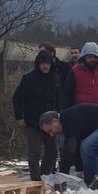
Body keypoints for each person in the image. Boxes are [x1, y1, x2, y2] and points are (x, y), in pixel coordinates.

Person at [40, 105, 98, 187]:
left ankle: (91, 185)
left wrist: (62, 175)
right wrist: (79, 170)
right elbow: (76, 146)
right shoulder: (68, 118)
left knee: (88, 147)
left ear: (55, 121)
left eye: (50, 130)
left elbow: (70, 149)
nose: (51, 135)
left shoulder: (70, 121)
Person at [12, 50, 61, 181]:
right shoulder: (29, 78)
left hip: (51, 121)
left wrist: (59, 116)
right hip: (33, 121)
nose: (45, 66)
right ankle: (35, 180)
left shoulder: (55, 78)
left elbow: (59, 98)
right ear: (38, 64)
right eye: (43, 63)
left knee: (52, 151)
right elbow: (17, 97)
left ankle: (44, 176)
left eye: (48, 63)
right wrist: (19, 117)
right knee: (34, 152)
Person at [61, 42, 98, 110]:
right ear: (84, 56)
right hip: (82, 111)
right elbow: (67, 93)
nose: (92, 59)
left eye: (95, 56)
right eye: (89, 57)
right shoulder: (75, 70)